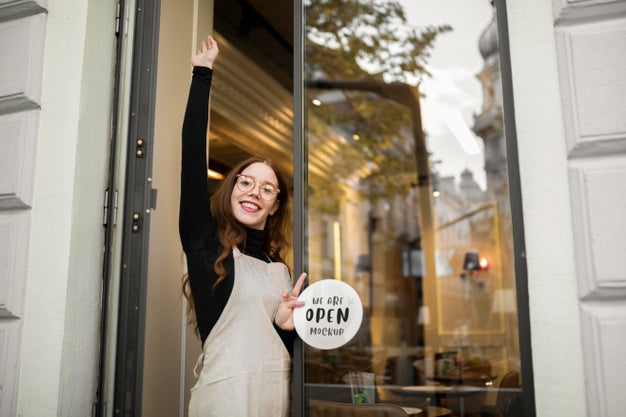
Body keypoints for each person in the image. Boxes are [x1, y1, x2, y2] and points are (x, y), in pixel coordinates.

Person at [179, 35, 306, 417]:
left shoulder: (280, 268)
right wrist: (202, 74)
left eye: (267, 188)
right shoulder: (205, 243)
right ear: (232, 188)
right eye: (245, 181)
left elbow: (287, 355)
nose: (254, 192)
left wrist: (287, 326)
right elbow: (190, 153)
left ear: (275, 205)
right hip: (225, 403)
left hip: (275, 404)